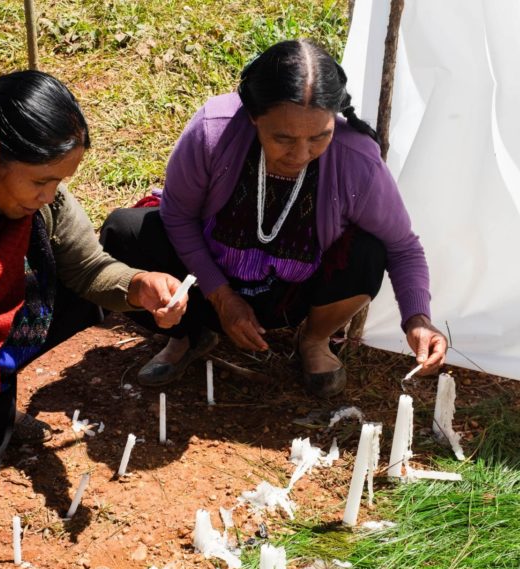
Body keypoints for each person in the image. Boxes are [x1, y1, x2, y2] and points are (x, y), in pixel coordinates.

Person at [101, 39, 448, 398]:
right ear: (253, 115)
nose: (301, 154)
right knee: (124, 234)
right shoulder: (214, 130)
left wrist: (417, 320)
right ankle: (188, 334)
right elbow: (178, 217)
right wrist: (221, 296)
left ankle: (314, 339)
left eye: (320, 136)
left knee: (369, 251)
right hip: (206, 278)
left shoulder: (356, 159)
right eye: (282, 137)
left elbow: (402, 246)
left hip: (294, 293)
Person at [0, 70, 187, 524]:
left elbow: (88, 268)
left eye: (59, 183)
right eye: (40, 181)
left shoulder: (46, 206)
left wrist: (139, 285)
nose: (48, 196)